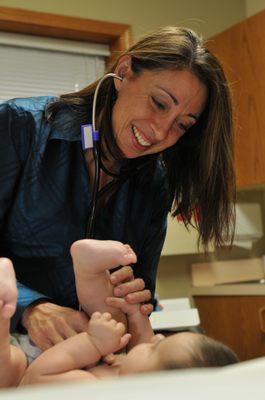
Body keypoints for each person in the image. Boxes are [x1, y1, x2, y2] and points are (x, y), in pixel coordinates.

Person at [0, 26, 235, 351]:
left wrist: (135, 300)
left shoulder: (154, 184)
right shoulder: (21, 127)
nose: (160, 131)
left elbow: (142, 296)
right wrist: (31, 309)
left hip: (91, 347)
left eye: (182, 125)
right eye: (159, 103)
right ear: (124, 72)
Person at [0, 243, 239, 388]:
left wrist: (92, 342)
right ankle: (89, 270)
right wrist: (134, 313)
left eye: (158, 349)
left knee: (10, 364)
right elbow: (143, 342)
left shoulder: (98, 391)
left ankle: (3, 306)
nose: (158, 338)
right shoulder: (135, 370)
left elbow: (36, 377)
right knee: (117, 322)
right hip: (70, 344)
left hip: (21, 377)